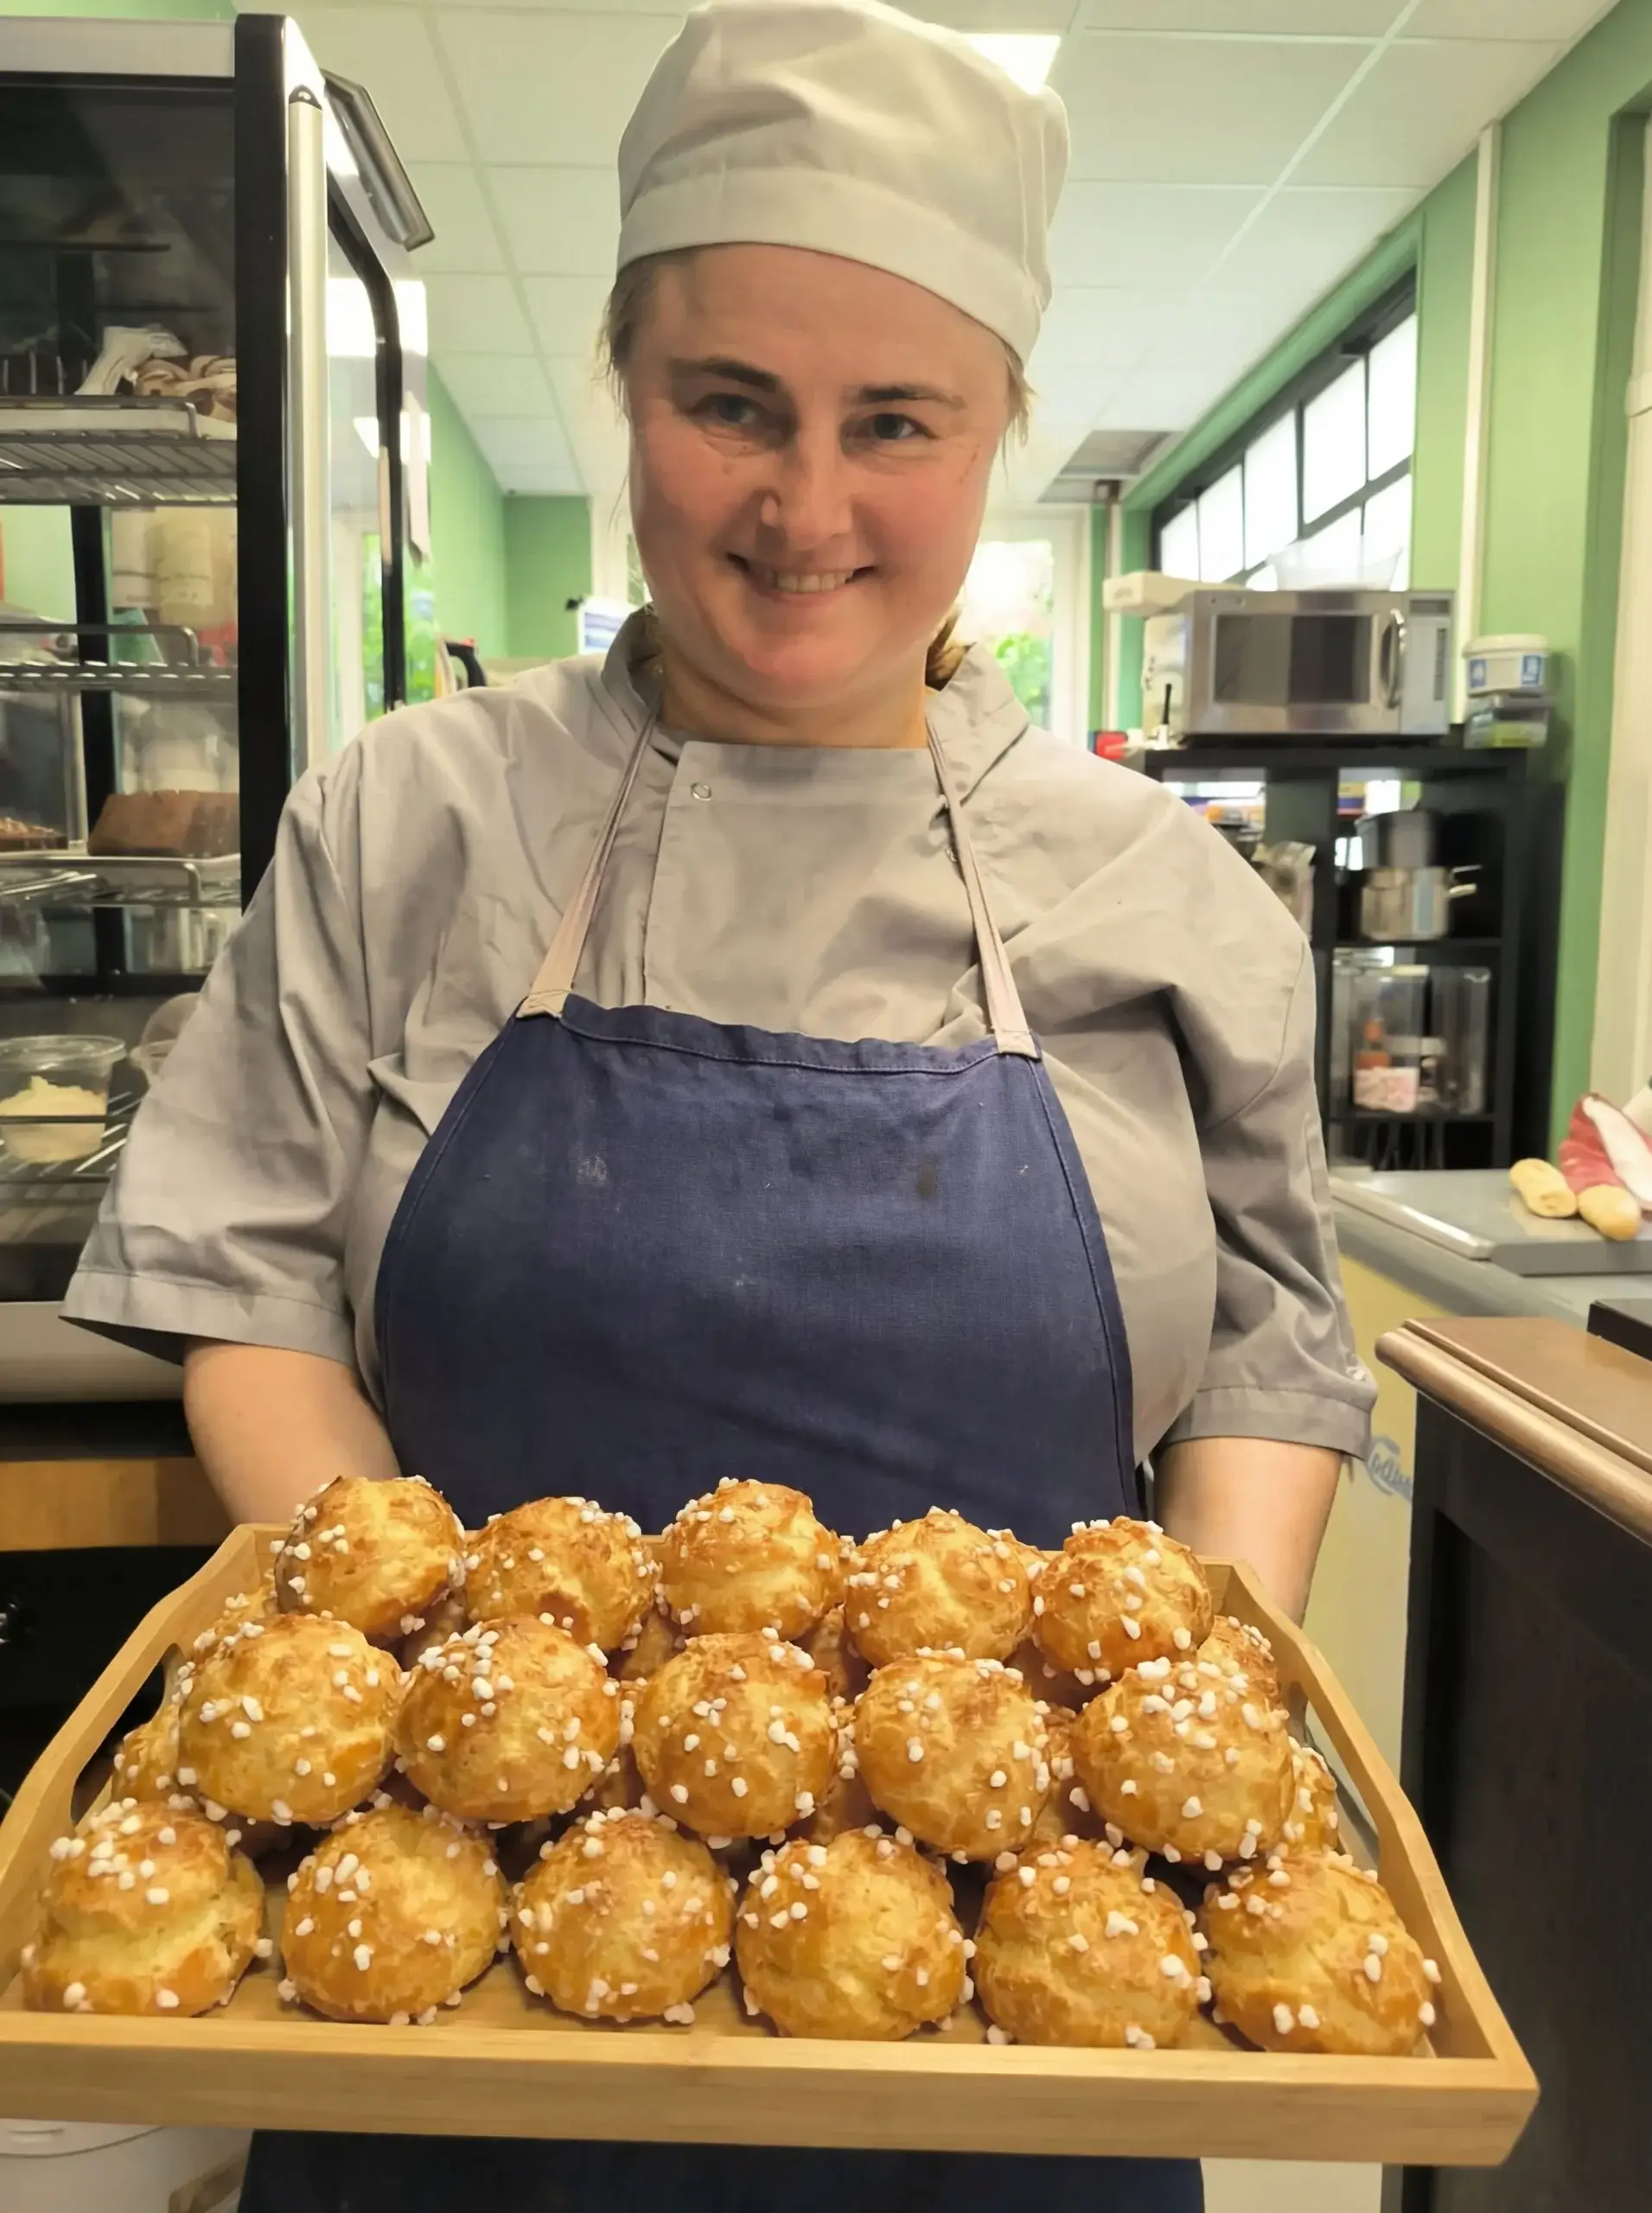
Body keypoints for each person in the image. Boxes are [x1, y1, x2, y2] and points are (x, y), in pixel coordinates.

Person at [66, 3, 1375, 2206]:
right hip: (455, 2016)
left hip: (1023, 2027)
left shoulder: (1161, 889)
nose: (806, 507)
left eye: (897, 422)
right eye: (729, 403)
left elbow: (1263, 1359)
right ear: (624, 385)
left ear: (1000, 430)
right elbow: (247, 1287)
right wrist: (433, 1696)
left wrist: (1187, 1742)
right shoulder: (408, 818)